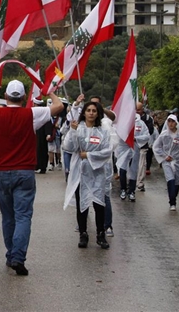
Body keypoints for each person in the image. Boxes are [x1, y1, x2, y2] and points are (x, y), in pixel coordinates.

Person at [0, 80, 63, 275]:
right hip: (25, 170)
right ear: (23, 96)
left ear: (6, 96)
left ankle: (11, 254)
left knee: (8, 215)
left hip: (2, 170)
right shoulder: (32, 114)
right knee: (23, 215)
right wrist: (49, 91)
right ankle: (18, 257)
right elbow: (59, 106)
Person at [63, 100, 112, 250]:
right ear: (84, 112)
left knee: (99, 204)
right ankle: (83, 233)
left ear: (98, 114)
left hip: (96, 173)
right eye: (88, 110)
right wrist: (72, 131)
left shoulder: (103, 132)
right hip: (81, 172)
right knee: (81, 205)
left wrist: (89, 155)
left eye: (94, 111)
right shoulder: (78, 129)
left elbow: (107, 151)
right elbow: (68, 147)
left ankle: (100, 234)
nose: (91, 113)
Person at [152, 114, 179, 211]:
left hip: (177, 161)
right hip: (167, 162)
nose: (171, 123)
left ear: (176, 123)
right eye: (169, 121)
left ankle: (174, 196)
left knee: (177, 182)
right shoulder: (164, 135)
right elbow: (156, 147)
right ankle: (172, 202)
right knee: (170, 180)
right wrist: (165, 156)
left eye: (173, 121)